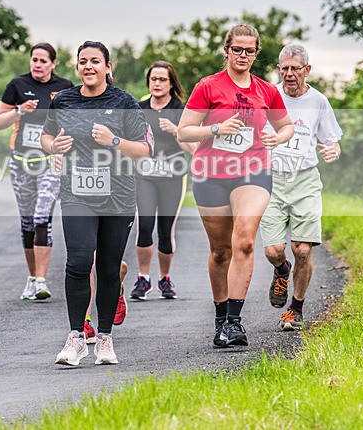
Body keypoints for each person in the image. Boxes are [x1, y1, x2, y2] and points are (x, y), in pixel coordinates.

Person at [177, 24, 293, 348]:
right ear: (226, 51)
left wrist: (276, 137)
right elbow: (184, 131)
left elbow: (286, 127)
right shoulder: (208, 87)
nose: (243, 55)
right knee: (220, 251)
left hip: (253, 170)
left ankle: (234, 321)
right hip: (212, 172)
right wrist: (215, 128)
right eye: (237, 49)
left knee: (243, 241)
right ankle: (220, 320)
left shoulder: (266, 91)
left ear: (256, 54)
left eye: (249, 51)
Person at [42, 41, 152, 366]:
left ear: (108, 66)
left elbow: (145, 150)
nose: (88, 66)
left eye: (95, 61)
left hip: (117, 195)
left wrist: (114, 141)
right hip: (76, 192)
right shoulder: (64, 100)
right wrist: (53, 146)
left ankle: (105, 338)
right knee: (77, 261)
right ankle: (76, 337)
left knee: (107, 267)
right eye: (82, 61)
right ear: (77, 67)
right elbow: (46, 136)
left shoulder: (124, 102)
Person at [260, 44, 342, 331]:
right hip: (271, 179)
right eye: (284, 68)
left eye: (295, 68)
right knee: (273, 250)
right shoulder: (268, 97)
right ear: (278, 69)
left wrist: (332, 151)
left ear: (307, 70)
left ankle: (295, 310)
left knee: (303, 250)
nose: (289, 74)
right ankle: (282, 271)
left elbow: (332, 140)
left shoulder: (318, 101)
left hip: (305, 179)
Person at [0, 43, 73, 301]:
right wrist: (19, 111)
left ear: (53, 63)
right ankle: (31, 278)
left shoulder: (64, 87)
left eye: (43, 61)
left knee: (42, 215)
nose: (37, 65)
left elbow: (73, 121)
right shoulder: (17, 85)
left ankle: (41, 280)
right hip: (21, 161)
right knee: (27, 221)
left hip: (50, 159)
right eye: (34, 60)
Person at [130, 61, 197, 301]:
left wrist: (175, 131)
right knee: (145, 225)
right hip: (145, 175)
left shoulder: (181, 111)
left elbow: (194, 149)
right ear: (148, 82)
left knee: (165, 230)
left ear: (171, 84)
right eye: (154, 79)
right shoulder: (138, 108)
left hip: (172, 177)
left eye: (162, 80)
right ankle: (143, 278)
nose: (157, 84)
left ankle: (165, 279)